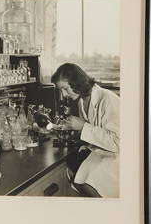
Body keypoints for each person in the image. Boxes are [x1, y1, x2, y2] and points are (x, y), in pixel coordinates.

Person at [51, 63, 119, 198]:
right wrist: (73, 129)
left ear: (76, 82)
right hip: (99, 151)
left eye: (65, 89)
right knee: (72, 172)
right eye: (61, 91)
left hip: (116, 157)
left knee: (88, 180)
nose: (64, 95)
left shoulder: (108, 99)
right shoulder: (82, 101)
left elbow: (117, 142)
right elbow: (94, 130)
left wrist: (82, 126)